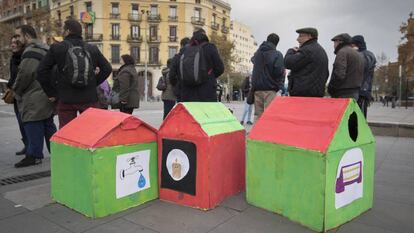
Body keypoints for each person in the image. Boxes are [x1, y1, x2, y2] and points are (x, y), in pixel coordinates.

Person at [37, 19, 112, 128]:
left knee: (67, 132)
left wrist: (51, 92)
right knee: (90, 131)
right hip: (89, 98)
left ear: (67, 31)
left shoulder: (57, 48)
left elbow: (41, 71)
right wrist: (93, 82)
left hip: (66, 98)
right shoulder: (92, 49)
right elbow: (107, 68)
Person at [12, 25, 57, 168]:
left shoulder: (31, 50)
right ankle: (57, 153)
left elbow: (25, 74)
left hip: (34, 95)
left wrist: (16, 90)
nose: (16, 39)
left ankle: (33, 155)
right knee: (47, 125)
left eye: (18, 36)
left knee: (33, 123)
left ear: (27, 36)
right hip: (45, 93)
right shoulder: (45, 48)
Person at [179, 29, 224, 102]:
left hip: (188, 92)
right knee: (207, 113)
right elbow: (220, 68)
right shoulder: (210, 47)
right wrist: (210, 76)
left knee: (192, 113)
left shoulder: (186, 50)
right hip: (207, 91)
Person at [284, 27, 329, 97]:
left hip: (303, 95)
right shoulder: (321, 51)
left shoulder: (307, 50)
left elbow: (288, 63)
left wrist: (291, 51)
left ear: (309, 36)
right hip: (317, 94)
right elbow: (326, 73)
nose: (297, 39)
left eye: (300, 36)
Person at [251, 33, 285, 120]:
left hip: (257, 89)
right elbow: (278, 72)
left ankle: (257, 133)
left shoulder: (258, 53)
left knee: (258, 116)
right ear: (277, 43)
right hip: (270, 89)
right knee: (270, 116)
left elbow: (253, 60)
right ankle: (267, 133)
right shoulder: (277, 54)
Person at [6, 35, 27, 156]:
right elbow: (13, 76)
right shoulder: (13, 58)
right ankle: (27, 144)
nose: (12, 45)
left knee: (25, 121)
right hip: (15, 94)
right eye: (11, 42)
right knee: (20, 122)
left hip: (24, 94)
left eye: (15, 42)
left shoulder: (24, 57)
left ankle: (31, 148)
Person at [328, 33, 364, 100]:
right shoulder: (358, 54)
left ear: (340, 42)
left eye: (335, 42)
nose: (334, 45)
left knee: (342, 111)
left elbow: (339, 75)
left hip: (343, 93)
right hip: (355, 92)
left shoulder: (342, 52)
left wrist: (331, 88)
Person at [351, 35, 377, 118]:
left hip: (362, 91)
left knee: (360, 119)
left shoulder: (366, 55)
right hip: (361, 90)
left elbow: (362, 69)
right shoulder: (365, 54)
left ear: (357, 45)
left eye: (352, 45)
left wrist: (356, 54)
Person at [169, 37, 190, 102]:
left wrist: (175, 85)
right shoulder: (195, 56)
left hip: (180, 89)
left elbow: (171, 75)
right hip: (193, 90)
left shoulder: (176, 58)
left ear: (181, 45)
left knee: (182, 109)